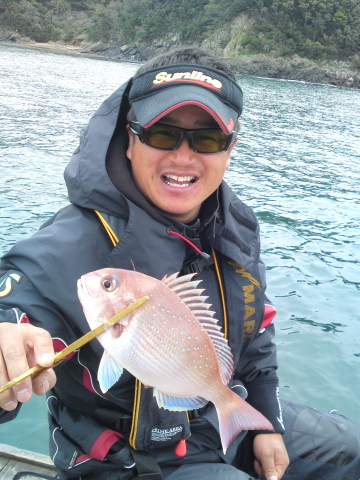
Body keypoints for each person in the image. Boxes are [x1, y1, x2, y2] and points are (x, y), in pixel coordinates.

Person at [0, 47, 359, 480]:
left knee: (350, 449)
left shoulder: (237, 230)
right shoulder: (68, 244)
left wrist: (268, 422)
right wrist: (9, 343)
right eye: (162, 134)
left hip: (217, 414)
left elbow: (258, 335)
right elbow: (17, 305)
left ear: (231, 149)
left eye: (208, 138)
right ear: (129, 140)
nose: (184, 157)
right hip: (129, 461)